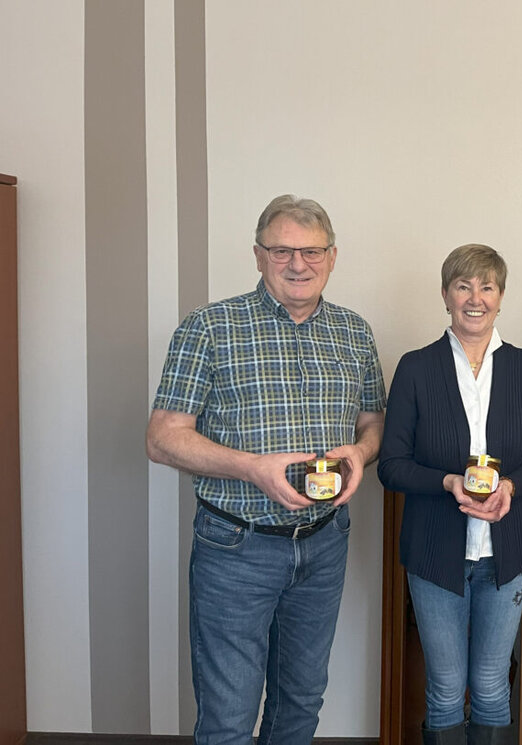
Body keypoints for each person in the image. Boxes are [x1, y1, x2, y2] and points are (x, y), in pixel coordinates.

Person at [146, 195, 386, 745]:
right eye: (281, 250)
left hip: (324, 544)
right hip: (236, 545)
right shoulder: (209, 326)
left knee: (299, 704)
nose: (297, 263)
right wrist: (253, 468)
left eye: (311, 251)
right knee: (229, 715)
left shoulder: (355, 332)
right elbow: (162, 438)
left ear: (332, 257)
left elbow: (374, 419)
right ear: (258, 256)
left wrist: (361, 451)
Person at [377, 244, 522, 745]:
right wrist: (448, 482)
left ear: (500, 297)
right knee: (446, 687)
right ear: (445, 295)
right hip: (434, 551)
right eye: (463, 286)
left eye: (487, 286)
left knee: (492, 685)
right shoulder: (416, 367)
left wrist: (512, 488)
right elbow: (390, 466)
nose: (474, 298)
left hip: (508, 550)